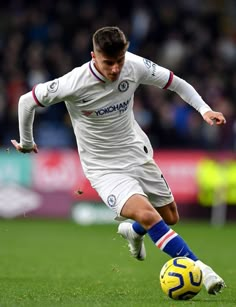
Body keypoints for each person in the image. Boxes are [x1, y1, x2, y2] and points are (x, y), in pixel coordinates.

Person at [12, 26, 226, 295]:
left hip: (136, 152)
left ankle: (134, 232)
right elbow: (25, 102)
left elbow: (176, 82)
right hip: (104, 168)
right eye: (108, 63)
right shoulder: (73, 82)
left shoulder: (134, 65)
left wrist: (205, 110)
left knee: (169, 217)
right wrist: (28, 142)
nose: (115, 69)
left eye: (119, 61)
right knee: (149, 214)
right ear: (93, 56)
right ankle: (202, 270)